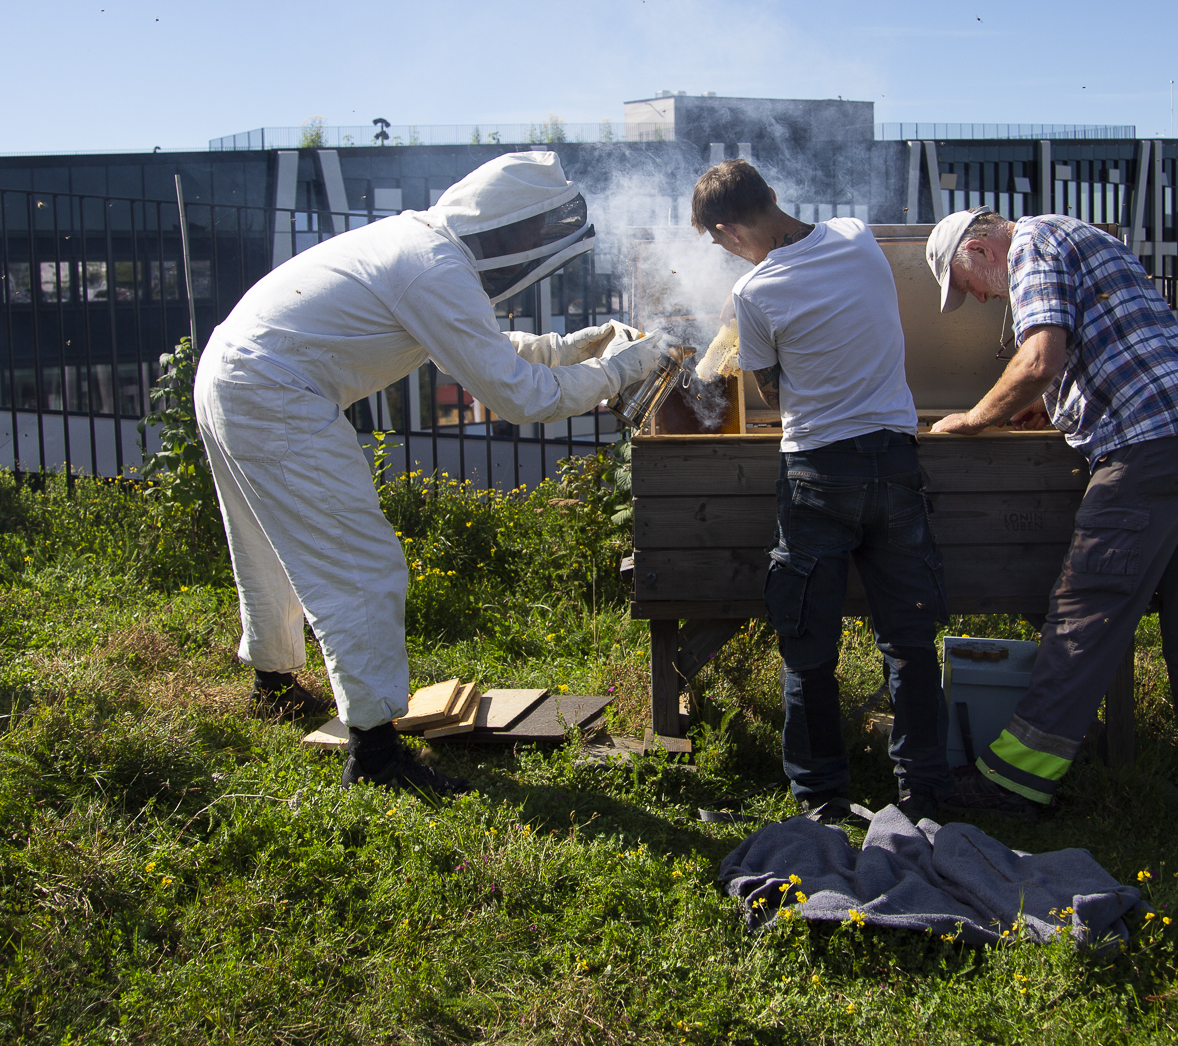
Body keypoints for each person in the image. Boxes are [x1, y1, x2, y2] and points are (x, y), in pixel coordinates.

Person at [195, 151, 671, 794]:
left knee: (268, 542)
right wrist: (622, 368)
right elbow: (520, 398)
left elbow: (474, 346)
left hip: (231, 369)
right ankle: (374, 753)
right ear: (504, 223)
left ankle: (272, 684)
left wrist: (571, 347)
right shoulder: (432, 268)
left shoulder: (422, 248)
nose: (535, 245)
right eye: (533, 232)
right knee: (359, 561)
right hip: (271, 389)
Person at [925, 208, 1178, 824]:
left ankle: (1017, 779)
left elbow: (1039, 360)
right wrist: (1053, 408)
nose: (973, 296)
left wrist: (973, 419)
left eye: (964, 282)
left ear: (977, 247)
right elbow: (1108, 343)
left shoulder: (1028, 245)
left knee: (1089, 605)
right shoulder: (1076, 233)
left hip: (1149, 440)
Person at [693, 160, 950, 826]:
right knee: (910, 643)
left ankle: (820, 802)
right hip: (895, 460)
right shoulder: (854, 234)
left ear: (727, 228)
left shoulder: (754, 291)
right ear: (771, 196)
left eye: (720, 243)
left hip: (815, 471)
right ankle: (923, 797)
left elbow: (769, 394)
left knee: (808, 651)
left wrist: (745, 306)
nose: (726, 254)